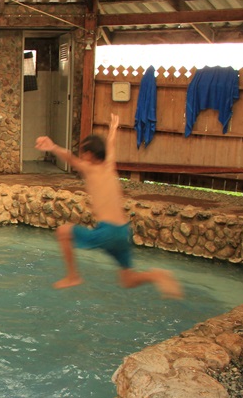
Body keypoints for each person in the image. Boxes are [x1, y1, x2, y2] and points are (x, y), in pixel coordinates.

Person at [35, 113, 183, 298]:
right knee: (128, 280)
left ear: (89, 155)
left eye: (83, 152)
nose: (81, 156)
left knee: (63, 232)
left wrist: (53, 147)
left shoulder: (90, 168)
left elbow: (70, 158)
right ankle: (155, 275)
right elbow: (111, 145)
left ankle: (73, 276)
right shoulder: (110, 166)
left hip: (109, 232)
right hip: (123, 232)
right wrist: (113, 129)